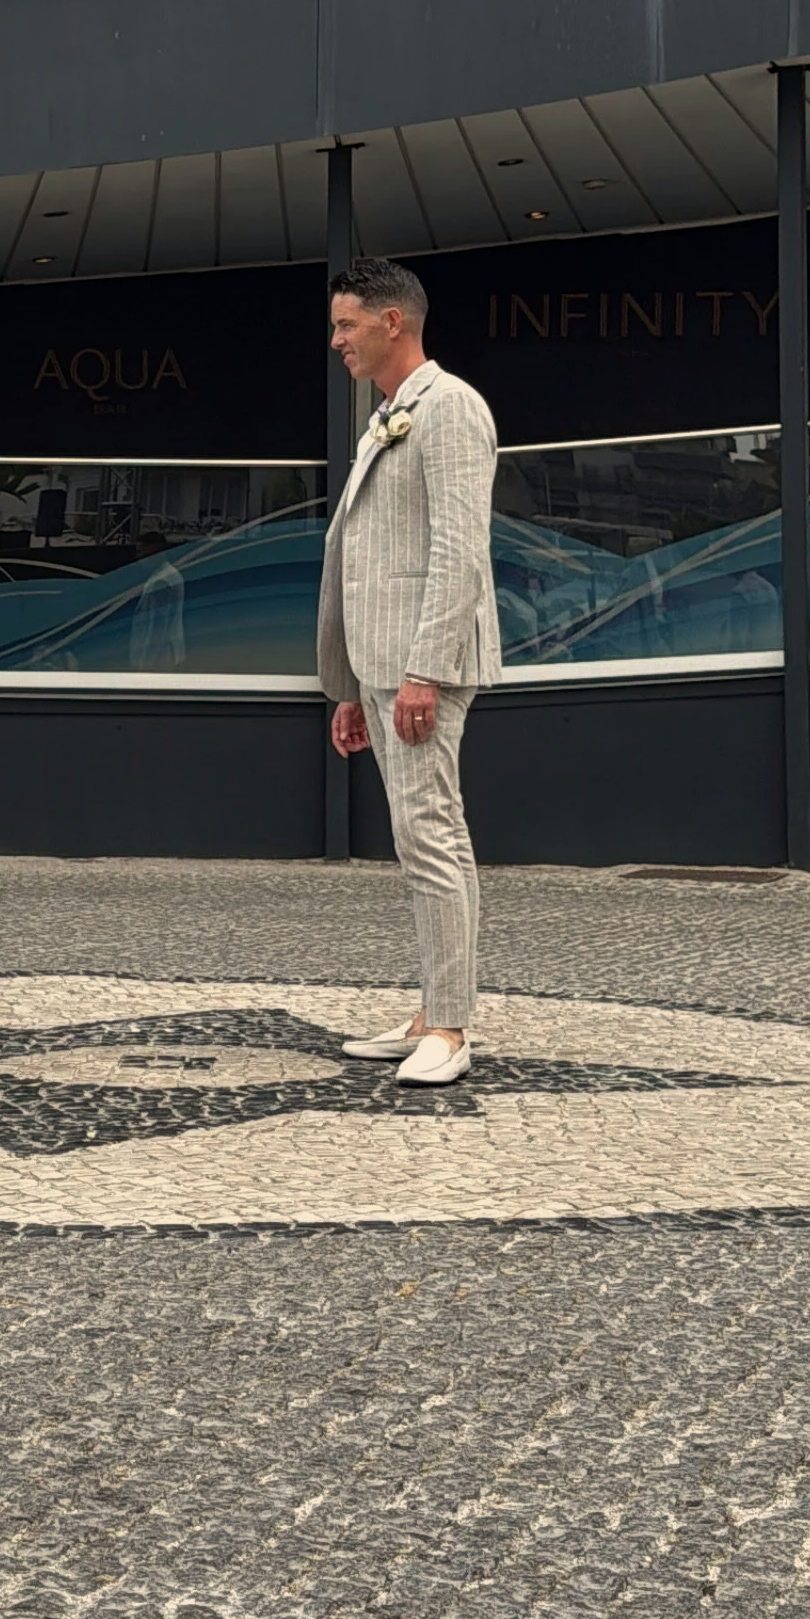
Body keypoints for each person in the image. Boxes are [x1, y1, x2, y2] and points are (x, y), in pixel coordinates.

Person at [318, 255, 500, 1088]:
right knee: (416, 835)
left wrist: (423, 669)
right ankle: (432, 1007)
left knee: (432, 834)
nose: (336, 340)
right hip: (383, 666)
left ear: (392, 321)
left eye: (346, 324)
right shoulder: (389, 414)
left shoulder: (449, 406)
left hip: (423, 663)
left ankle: (452, 1028)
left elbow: (458, 549)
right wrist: (352, 686)